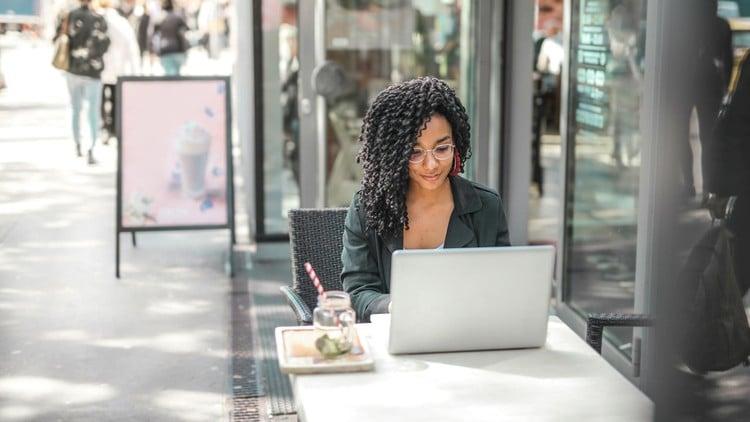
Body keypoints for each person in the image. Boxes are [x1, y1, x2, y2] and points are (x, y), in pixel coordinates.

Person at [341, 77, 511, 322]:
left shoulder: (486, 207)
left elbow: (502, 288)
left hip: (468, 336)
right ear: (394, 154)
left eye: (442, 149)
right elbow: (357, 293)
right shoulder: (367, 208)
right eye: (414, 152)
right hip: (394, 341)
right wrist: (395, 305)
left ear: (457, 145)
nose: (431, 165)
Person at [56, 0, 111, 164]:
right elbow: (106, 43)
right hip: (93, 71)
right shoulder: (99, 18)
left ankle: (77, 143)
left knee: (76, 108)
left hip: (73, 68)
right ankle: (91, 147)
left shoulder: (70, 15)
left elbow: (61, 37)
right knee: (92, 111)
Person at [97, 0, 140, 143]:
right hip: (118, 69)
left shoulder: (98, 20)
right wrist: (135, 71)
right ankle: (114, 128)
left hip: (101, 68)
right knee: (115, 99)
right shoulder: (122, 23)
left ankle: (104, 127)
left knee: (101, 99)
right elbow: (132, 47)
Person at [151, 0, 188, 75]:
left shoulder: (159, 18)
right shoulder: (177, 18)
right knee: (175, 76)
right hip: (176, 49)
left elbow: (152, 36)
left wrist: (152, 51)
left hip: (165, 50)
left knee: (169, 76)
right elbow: (186, 30)